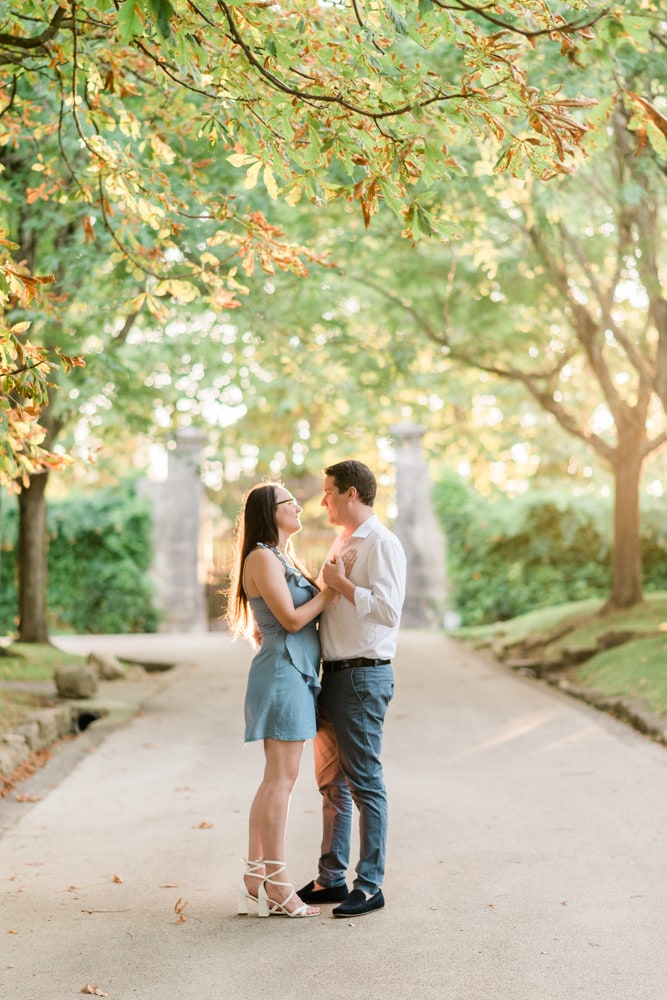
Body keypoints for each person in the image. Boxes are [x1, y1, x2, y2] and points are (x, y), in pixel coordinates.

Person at [298, 460, 406, 917]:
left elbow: (389, 612)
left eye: (328, 492)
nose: (322, 500)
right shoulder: (344, 541)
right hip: (333, 674)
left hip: (363, 675)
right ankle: (331, 878)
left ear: (352, 495)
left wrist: (342, 585)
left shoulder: (381, 543)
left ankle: (371, 882)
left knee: (365, 783)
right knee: (331, 785)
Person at [227, 482, 335, 918]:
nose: (298, 506)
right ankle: (278, 884)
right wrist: (331, 590)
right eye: (289, 502)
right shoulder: (260, 556)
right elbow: (290, 621)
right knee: (281, 781)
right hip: (282, 674)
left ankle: (257, 879)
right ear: (270, 512)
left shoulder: (279, 557)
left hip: (291, 673)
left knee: (276, 779)